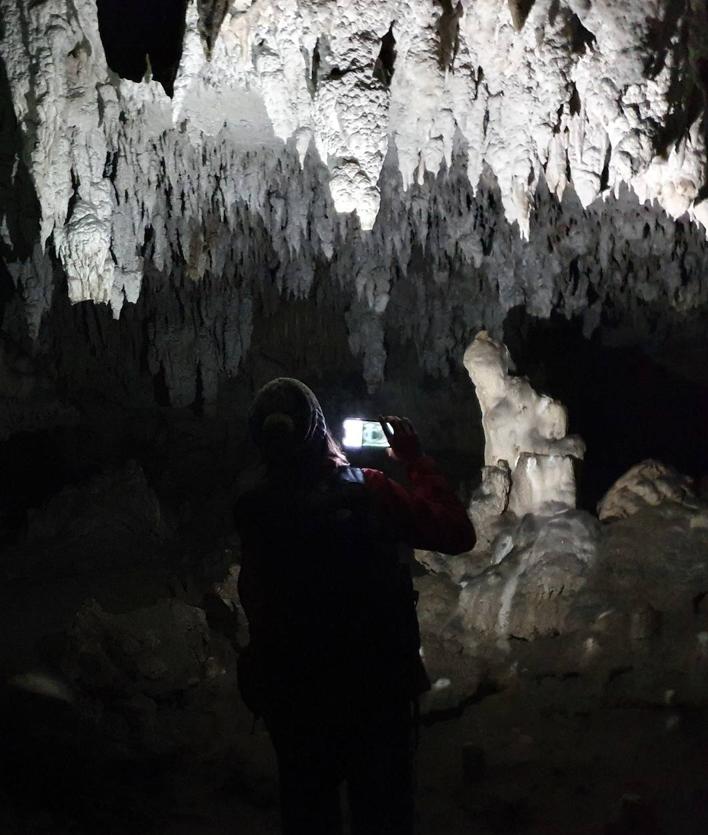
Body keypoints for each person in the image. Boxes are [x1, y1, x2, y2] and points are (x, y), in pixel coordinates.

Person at [234, 378, 475, 835]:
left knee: (309, 814)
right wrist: (415, 462)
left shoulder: (254, 508)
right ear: (318, 426)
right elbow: (456, 533)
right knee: (382, 813)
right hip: (374, 687)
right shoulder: (369, 490)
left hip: (295, 695)